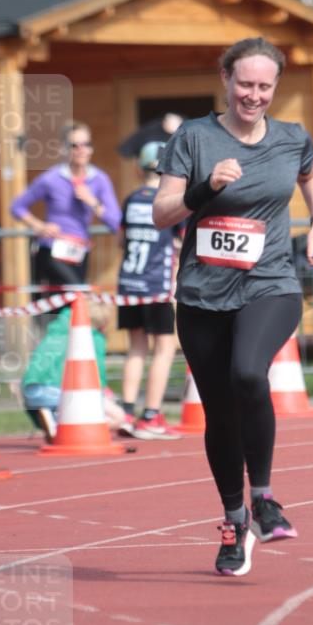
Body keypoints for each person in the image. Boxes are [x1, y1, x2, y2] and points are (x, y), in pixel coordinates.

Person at [153, 37, 313, 577]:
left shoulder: (292, 138)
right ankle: (235, 521)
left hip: (270, 282)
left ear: (275, 87)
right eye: (244, 84)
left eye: (264, 86)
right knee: (219, 412)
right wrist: (206, 187)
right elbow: (163, 213)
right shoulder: (194, 137)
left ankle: (266, 497)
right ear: (226, 80)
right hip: (203, 295)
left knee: (249, 374)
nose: (253, 95)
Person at [117, 132, 183, 440]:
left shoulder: (131, 200)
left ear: (138, 169)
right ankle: (151, 414)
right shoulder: (168, 201)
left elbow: (121, 238)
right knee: (165, 349)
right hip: (156, 284)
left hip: (129, 282)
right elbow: (180, 241)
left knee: (136, 349)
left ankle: (126, 411)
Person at [11, 121, 120, 290]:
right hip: (52, 249)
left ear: (91, 148)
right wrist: (39, 226)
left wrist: (92, 202)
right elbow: (17, 206)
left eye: (86, 144)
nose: (81, 150)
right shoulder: (51, 178)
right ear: (64, 149)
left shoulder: (99, 179)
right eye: (74, 145)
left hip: (80, 251)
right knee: (78, 294)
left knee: (70, 308)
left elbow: (115, 222)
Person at [22, 302, 125, 440]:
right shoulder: (93, 337)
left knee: (54, 411)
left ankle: (55, 420)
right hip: (62, 390)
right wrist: (104, 391)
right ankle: (74, 430)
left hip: (31, 390)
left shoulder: (54, 331)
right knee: (118, 417)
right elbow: (96, 373)